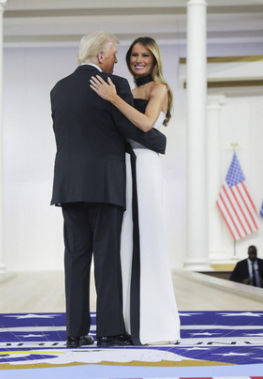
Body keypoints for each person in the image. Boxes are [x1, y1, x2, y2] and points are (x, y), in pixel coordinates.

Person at [50, 32, 167, 348]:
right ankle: (109, 330)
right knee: (106, 258)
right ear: (100, 56)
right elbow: (133, 129)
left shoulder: (58, 89)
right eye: (115, 54)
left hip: (69, 184)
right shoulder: (114, 85)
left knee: (75, 258)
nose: (118, 59)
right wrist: (161, 142)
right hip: (105, 184)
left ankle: (75, 332)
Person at [89, 36, 180, 345]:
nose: (139, 59)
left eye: (145, 55)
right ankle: (128, 322)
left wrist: (113, 99)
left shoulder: (159, 89)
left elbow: (145, 124)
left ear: (154, 59)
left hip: (145, 165)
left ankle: (156, 324)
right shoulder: (127, 88)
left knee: (149, 238)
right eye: (134, 55)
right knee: (126, 242)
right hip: (122, 167)